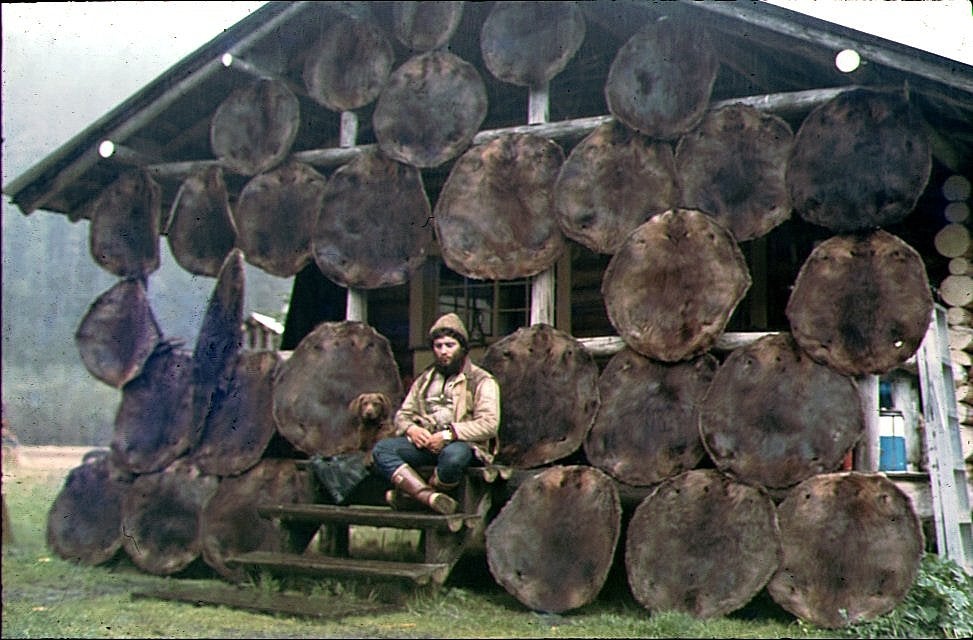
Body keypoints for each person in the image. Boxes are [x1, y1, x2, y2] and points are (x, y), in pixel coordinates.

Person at [371, 313, 500, 515]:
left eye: (450, 345)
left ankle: (410, 499)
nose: (443, 352)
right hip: (426, 444)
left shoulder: (481, 380)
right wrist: (412, 429)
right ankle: (428, 498)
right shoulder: (425, 380)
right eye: (438, 346)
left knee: (453, 457)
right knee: (382, 450)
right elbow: (403, 414)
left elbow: (489, 424)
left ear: (463, 348)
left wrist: (448, 435)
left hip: (464, 445)